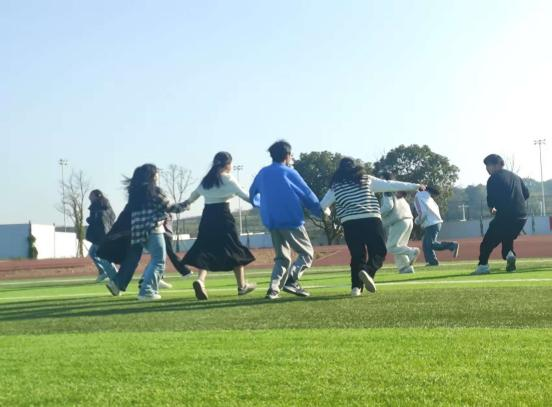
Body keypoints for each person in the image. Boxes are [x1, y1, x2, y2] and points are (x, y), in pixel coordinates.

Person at [321, 159, 421, 296]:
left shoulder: (335, 186)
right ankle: (367, 271)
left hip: (349, 223)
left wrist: (328, 213)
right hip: (371, 219)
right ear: (355, 168)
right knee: (379, 251)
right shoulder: (366, 179)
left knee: (357, 255)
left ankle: (356, 288)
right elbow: (390, 184)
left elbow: (322, 206)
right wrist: (415, 186)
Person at [250, 140, 323, 300]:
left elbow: (252, 194)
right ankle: (291, 280)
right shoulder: (289, 172)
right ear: (287, 155)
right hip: (290, 218)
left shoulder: (263, 173)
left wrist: (262, 204)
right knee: (307, 253)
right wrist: (320, 211)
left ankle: (273, 290)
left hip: (271, 220)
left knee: (282, 257)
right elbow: (306, 193)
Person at [181, 152, 256, 301]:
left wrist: (185, 204)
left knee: (205, 248)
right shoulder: (228, 179)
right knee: (234, 248)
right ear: (227, 164)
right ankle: (242, 286)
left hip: (207, 216)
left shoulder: (207, 179)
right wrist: (264, 203)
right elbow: (246, 197)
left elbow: (193, 196)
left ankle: (200, 280)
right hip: (223, 216)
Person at [106, 164, 187, 301]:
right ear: (152, 176)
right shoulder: (154, 190)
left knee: (135, 259)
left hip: (137, 231)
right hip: (153, 228)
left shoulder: (134, 192)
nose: (158, 175)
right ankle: (147, 290)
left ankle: (119, 283)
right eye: (156, 172)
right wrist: (188, 203)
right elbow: (170, 207)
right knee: (158, 260)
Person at [472, 154, 530, 274]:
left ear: (498, 164)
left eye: (489, 165)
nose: (487, 168)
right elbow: (526, 194)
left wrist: (492, 209)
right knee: (507, 238)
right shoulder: (516, 177)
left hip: (505, 216)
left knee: (487, 243)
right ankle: (509, 255)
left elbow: (491, 200)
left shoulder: (494, 178)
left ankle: (483, 266)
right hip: (522, 217)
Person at [414, 186, 459, 266]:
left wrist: (417, 221)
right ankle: (433, 262)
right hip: (436, 222)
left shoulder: (418, 197)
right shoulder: (429, 198)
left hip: (430, 224)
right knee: (426, 244)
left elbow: (422, 213)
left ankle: (452, 245)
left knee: (430, 244)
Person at [381, 184, 420, 274]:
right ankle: (405, 268)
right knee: (399, 247)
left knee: (391, 247)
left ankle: (412, 251)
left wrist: (377, 214)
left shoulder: (387, 191)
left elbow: (388, 207)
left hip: (399, 221)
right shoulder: (399, 195)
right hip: (409, 220)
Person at [85, 189, 117, 283]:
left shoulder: (98, 205)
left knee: (101, 255)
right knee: (93, 253)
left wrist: (91, 219)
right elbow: (112, 217)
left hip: (101, 235)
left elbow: (101, 219)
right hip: (102, 234)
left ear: (97, 195)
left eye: (91, 195)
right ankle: (104, 272)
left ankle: (114, 275)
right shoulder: (103, 205)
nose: (89, 197)